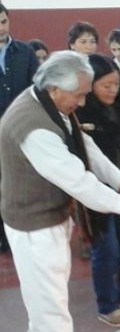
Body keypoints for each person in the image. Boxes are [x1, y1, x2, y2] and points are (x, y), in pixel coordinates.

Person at [0, 50, 120, 332]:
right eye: (78, 95)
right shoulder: (34, 127)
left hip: (48, 215)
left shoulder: (48, 101)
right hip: (33, 223)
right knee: (51, 296)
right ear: (54, 89)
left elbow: (84, 145)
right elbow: (80, 183)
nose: (81, 103)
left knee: (45, 285)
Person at [75, 54, 120, 327]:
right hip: (94, 194)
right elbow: (89, 157)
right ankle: (107, 304)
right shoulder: (80, 111)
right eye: (105, 85)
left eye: (116, 84)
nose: (112, 90)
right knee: (107, 250)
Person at [0, 4, 40, 253]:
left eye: (3, 21)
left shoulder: (25, 52)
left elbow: (35, 90)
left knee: (22, 183)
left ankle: (22, 233)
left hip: (21, 130)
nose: (0, 28)